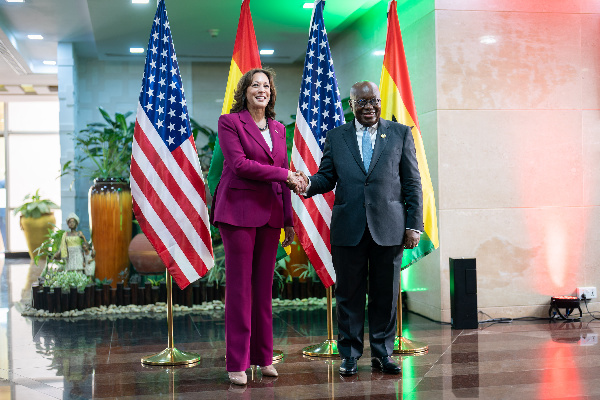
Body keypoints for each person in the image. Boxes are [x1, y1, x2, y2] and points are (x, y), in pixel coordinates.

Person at [292, 81, 423, 376]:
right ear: (351, 105)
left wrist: (414, 224)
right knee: (348, 295)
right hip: (348, 227)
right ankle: (349, 354)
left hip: (388, 227)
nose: (369, 107)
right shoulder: (337, 137)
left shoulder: (400, 133)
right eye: (362, 102)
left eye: (373, 101)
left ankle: (382, 353)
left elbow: (413, 182)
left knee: (385, 294)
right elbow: (326, 177)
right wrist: (308, 183)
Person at [210, 68, 303, 386]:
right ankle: (236, 362)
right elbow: (239, 165)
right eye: (255, 85)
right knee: (239, 289)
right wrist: (285, 176)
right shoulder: (230, 123)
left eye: (266, 85)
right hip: (237, 213)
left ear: (271, 93)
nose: (261, 90)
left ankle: (263, 358)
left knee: (263, 290)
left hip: (271, 215)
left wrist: (288, 219)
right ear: (245, 91)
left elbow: (282, 172)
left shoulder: (278, 129)